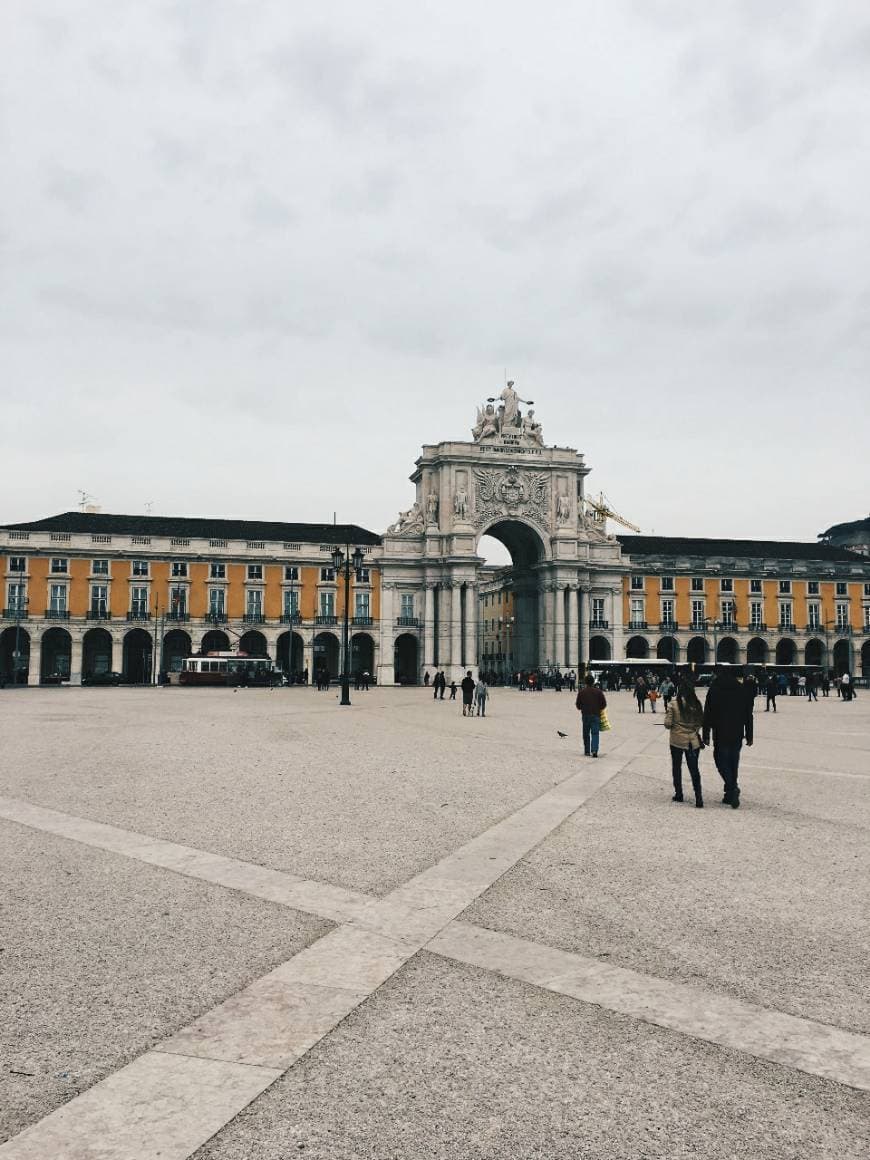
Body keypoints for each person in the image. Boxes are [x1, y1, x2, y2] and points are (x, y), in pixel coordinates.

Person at [702, 666, 754, 809]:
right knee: (733, 761)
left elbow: (708, 712)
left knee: (720, 760)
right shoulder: (741, 689)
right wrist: (749, 734)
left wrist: (706, 733)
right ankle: (729, 793)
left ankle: (731, 787)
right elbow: (748, 714)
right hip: (737, 732)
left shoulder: (715, 688)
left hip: (720, 731)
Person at [664, 680, 705, 807]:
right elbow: (700, 723)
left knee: (677, 767)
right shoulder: (697, 704)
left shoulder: (673, 704)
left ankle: (679, 793)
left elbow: (667, 724)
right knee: (694, 769)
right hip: (692, 741)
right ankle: (698, 797)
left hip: (677, 740)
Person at [575, 674, 606, 757]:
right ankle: (594, 750)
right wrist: (598, 708)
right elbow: (604, 704)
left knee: (586, 733)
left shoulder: (582, 692)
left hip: (585, 715)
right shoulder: (599, 692)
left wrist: (583, 708)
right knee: (595, 733)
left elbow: (578, 705)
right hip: (596, 715)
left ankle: (587, 751)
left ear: (585, 682)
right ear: (593, 682)